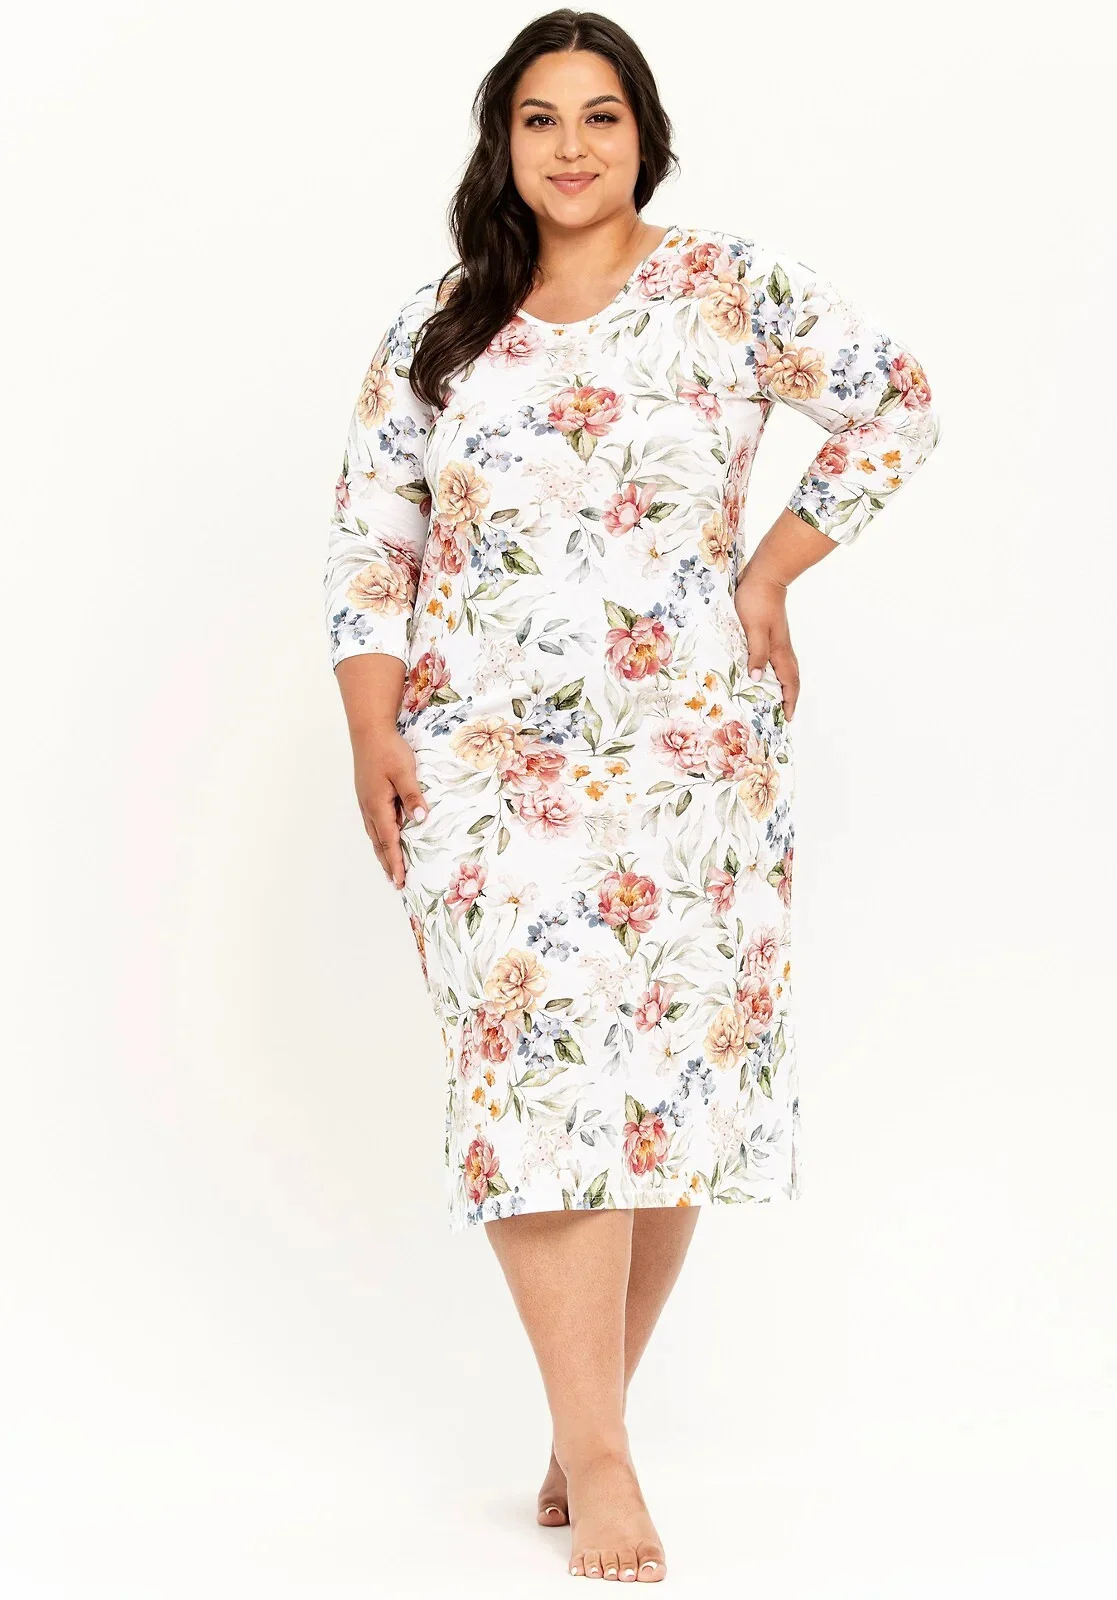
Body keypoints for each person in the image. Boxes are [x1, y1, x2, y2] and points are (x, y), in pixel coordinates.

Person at [323, 7, 940, 1583]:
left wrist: (769, 577)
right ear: (502, 143)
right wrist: (369, 726)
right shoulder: (441, 324)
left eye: (599, 115)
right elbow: (371, 535)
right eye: (539, 118)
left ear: (644, 135)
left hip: (688, 752)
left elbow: (896, 404)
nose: (571, 146)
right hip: (476, 761)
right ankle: (600, 1454)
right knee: (533, 1086)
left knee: (665, 1087)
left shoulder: (732, 287)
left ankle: (580, 1426)